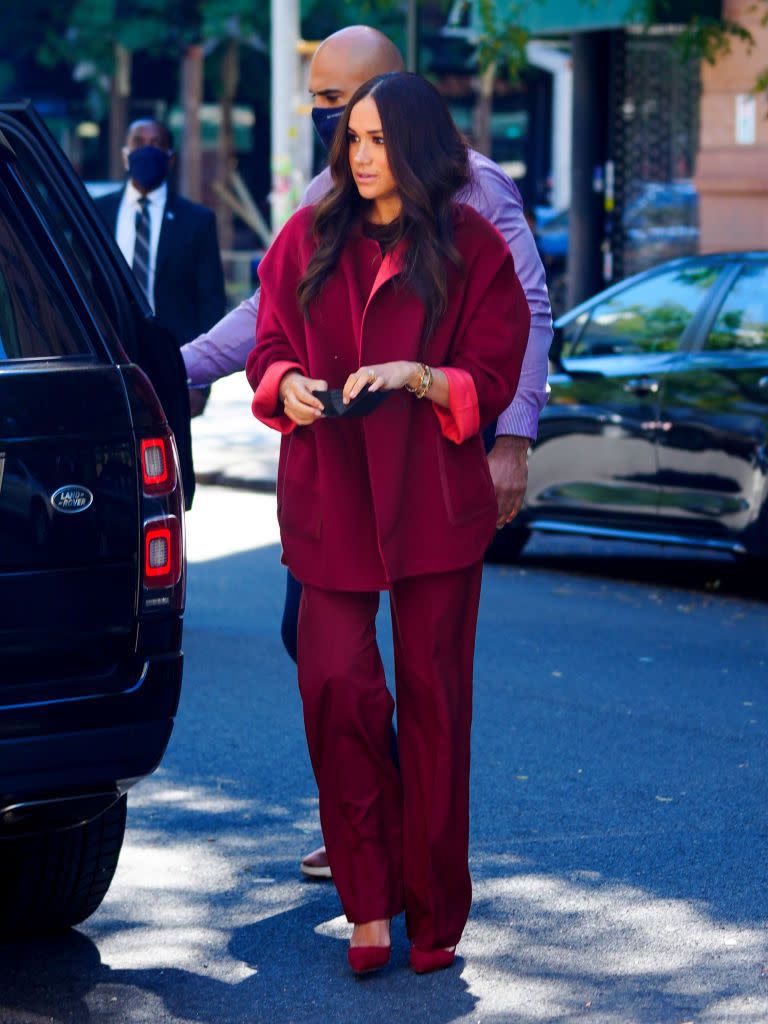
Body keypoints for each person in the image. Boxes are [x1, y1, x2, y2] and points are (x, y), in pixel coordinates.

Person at [180, 25, 552, 880]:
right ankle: (367, 826)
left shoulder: (476, 186)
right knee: (320, 651)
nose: (325, 118)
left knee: (428, 677)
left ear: (397, 97)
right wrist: (176, 364)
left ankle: (403, 848)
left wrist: (513, 437)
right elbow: (268, 315)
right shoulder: (330, 191)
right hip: (344, 471)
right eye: (319, 102)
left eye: (336, 101)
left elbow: (524, 307)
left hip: (432, 465)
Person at [246, 71, 530, 975]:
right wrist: (282, 382)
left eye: (375, 140)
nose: (360, 158)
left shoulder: (474, 244)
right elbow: (267, 341)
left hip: (434, 504)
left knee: (438, 706)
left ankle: (435, 910)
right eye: (351, 140)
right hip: (330, 496)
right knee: (336, 692)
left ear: (415, 145)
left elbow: (495, 365)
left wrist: (418, 377)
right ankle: (367, 901)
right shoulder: (306, 236)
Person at [94, 118, 226, 416]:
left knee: (174, 456)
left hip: (173, 363)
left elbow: (210, 301)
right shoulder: (97, 214)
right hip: (111, 359)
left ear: (170, 157)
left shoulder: (197, 221)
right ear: (124, 153)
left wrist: (201, 381)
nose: (147, 150)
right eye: (139, 143)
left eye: (156, 144)